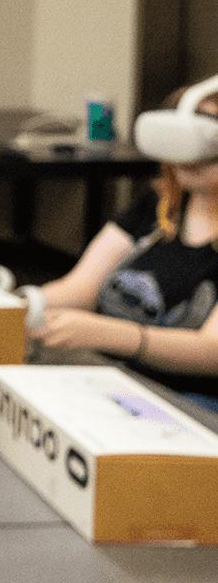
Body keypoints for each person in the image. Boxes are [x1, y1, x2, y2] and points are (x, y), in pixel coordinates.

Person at [32, 84, 218, 412]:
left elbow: (210, 351)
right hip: (111, 381)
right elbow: (79, 289)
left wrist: (109, 334)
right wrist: (18, 307)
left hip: (191, 406)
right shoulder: (160, 207)